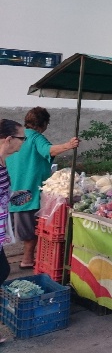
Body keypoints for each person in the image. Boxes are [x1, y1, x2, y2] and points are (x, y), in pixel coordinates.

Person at [6, 107, 79, 269]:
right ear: (44, 123)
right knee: (31, 231)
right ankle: (27, 260)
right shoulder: (35, 137)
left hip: (11, 191)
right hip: (28, 193)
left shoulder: (17, 136)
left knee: (16, 228)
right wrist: (68, 145)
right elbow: (49, 150)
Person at [0, 119, 25, 342]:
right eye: (21, 138)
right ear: (9, 139)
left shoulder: (2, 162)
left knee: (3, 270)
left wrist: (14, 197)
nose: (23, 142)